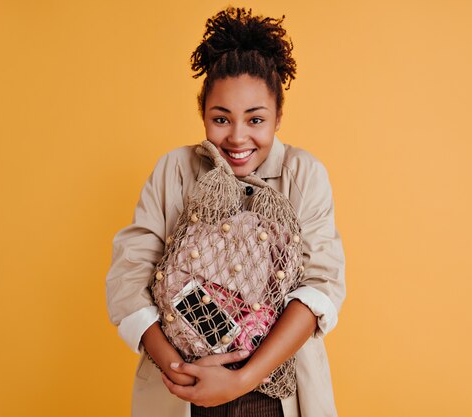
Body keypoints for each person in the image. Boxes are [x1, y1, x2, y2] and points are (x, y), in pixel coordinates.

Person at [106, 7, 346, 417]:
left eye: (256, 119)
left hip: (276, 396)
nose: (237, 137)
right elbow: (129, 276)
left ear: (278, 117)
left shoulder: (303, 174)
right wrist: (178, 369)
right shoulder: (174, 172)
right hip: (181, 392)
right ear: (202, 112)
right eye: (221, 119)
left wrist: (241, 379)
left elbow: (319, 288)